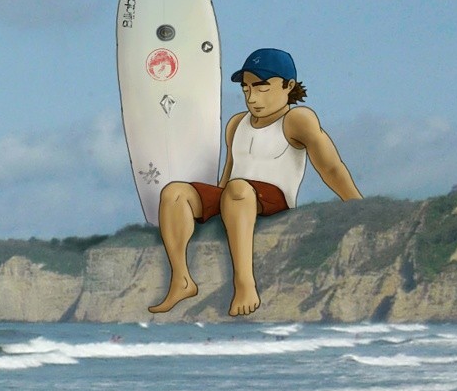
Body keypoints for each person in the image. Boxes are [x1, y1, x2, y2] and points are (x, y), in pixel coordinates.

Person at [150, 48, 363, 317]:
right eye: (246, 88)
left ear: (289, 86)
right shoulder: (236, 123)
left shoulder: (297, 119)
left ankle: (245, 283)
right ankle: (181, 280)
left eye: (262, 88)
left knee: (238, 189)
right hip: (235, 194)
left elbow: (331, 166)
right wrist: (212, 205)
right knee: (174, 192)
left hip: (273, 198)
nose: (252, 97)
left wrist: (356, 206)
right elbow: (228, 172)